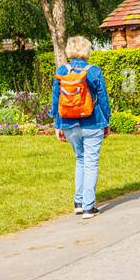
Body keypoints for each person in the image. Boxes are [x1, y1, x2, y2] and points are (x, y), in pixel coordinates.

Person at [52, 36, 112, 220]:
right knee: (91, 163)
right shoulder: (93, 71)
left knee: (80, 159)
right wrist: (107, 121)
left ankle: (78, 203)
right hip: (92, 123)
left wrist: (57, 125)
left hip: (69, 124)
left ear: (69, 50)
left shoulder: (62, 70)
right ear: (87, 50)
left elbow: (55, 101)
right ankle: (88, 207)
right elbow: (102, 99)